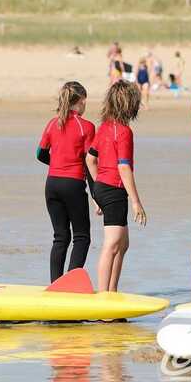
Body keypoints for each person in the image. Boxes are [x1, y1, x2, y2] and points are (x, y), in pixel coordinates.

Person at [85, 81, 146, 292]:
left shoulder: (104, 128)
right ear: (130, 105)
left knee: (123, 244)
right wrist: (136, 202)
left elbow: (90, 160)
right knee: (111, 245)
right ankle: (104, 296)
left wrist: (96, 191)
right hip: (114, 190)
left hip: (103, 188)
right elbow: (124, 168)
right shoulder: (124, 132)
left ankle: (112, 292)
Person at [36, 81, 95, 283]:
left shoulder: (53, 123)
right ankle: (69, 286)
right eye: (85, 101)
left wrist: (58, 164)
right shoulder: (86, 127)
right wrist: (97, 196)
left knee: (60, 237)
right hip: (73, 185)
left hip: (52, 184)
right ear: (80, 101)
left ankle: (55, 285)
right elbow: (90, 162)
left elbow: (39, 154)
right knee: (82, 237)